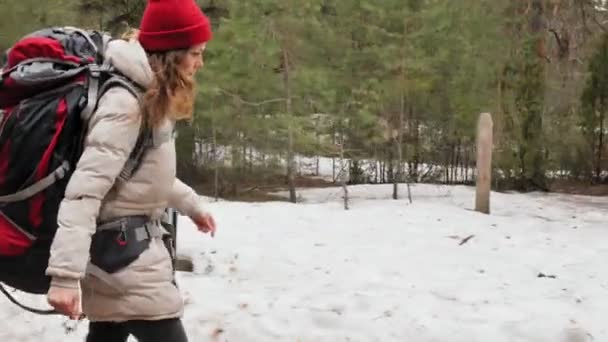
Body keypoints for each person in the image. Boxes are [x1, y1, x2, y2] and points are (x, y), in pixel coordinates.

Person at [44, 0, 216, 341]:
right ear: (171, 53)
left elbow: (143, 173)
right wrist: (64, 277)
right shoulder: (126, 104)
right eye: (195, 53)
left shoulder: (145, 94)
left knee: (109, 333)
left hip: (120, 257)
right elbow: (85, 190)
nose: (200, 62)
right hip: (126, 260)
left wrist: (191, 204)